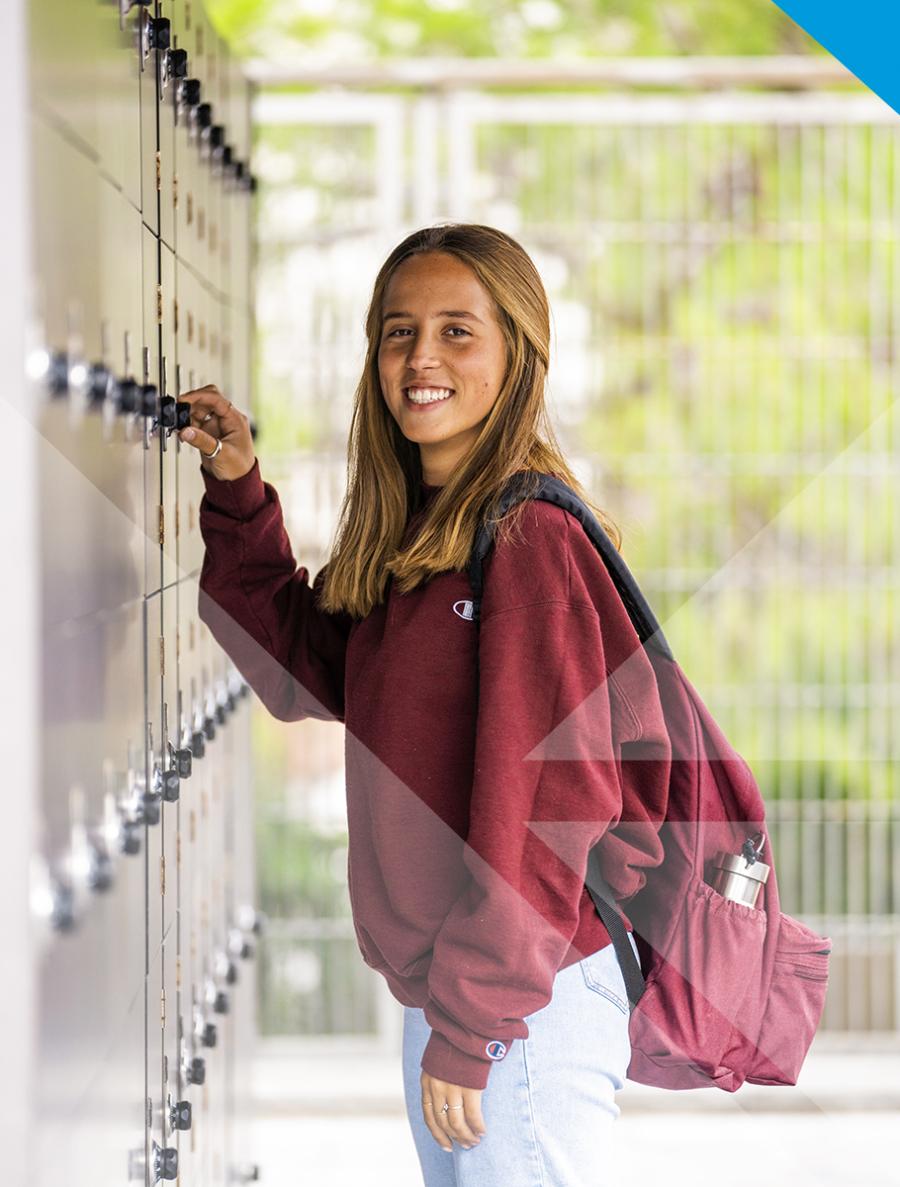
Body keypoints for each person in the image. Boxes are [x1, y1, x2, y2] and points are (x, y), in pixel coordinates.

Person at [179, 223, 671, 1186]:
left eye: (458, 331)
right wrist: (238, 489)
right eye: (398, 332)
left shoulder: (529, 542)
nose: (421, 358)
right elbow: (297, 669)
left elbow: (546, 814)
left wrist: (473, 1022)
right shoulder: (421, 542)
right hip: (461, 991)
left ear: (517, 357)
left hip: (521, 1002)